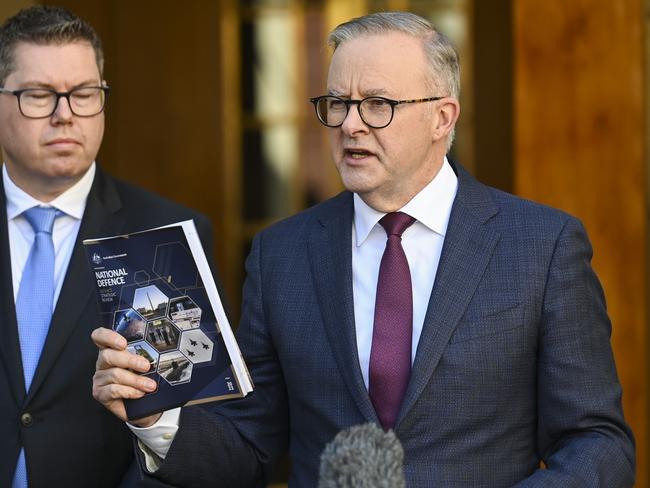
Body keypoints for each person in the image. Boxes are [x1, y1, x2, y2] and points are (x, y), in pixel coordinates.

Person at [92, 11, 635, 487]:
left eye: (377, 104)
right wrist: (152, 418)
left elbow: (598, 445)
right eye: (337, 103)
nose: (350, 125)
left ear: (442, 117)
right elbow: (250, 444)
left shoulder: (541, 246)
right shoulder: (281, 254)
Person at [0, 6, 215, 487]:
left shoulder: (168, 232)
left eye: (83, 94)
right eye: (39, 95)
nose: (64, 114)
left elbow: (198, 420)